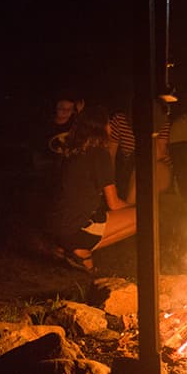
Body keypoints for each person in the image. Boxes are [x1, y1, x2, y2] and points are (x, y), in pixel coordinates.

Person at [51, 106, 136, 273]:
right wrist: (135, 208)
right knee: (146, 217)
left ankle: (71, 248)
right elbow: (114, 204)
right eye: (109, 124)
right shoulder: (100, 154)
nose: (111, 128)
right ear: (102, 128)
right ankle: (80, 249)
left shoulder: (71, 153)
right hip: (78, 227)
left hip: (60, 226)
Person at [108, 98, 172, 203]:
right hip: (131, 167)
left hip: (159, 165)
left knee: (147, 171)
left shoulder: (160, 117)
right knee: (140, 173)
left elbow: (159, 153)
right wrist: (111, 184)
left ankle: (133, 211)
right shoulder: (120, 119)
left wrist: (150, 126)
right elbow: (111, 154)